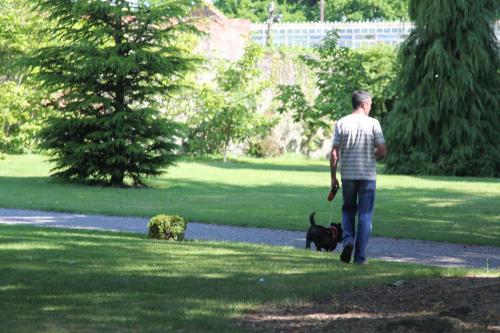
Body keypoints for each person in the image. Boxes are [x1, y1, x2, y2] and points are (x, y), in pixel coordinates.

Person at [330, 90, 387, 264]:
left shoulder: (341, 123)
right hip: (367, 176)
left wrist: (333, 177)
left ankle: (348, 241)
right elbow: (383, 150)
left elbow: (334, 154)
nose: (370, 108)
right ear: (363, 104)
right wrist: (371, 154)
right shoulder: (373, 123)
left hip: (347, 175)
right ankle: (360, 257)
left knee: (348, 210)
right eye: (370, 105)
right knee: (365, 216)